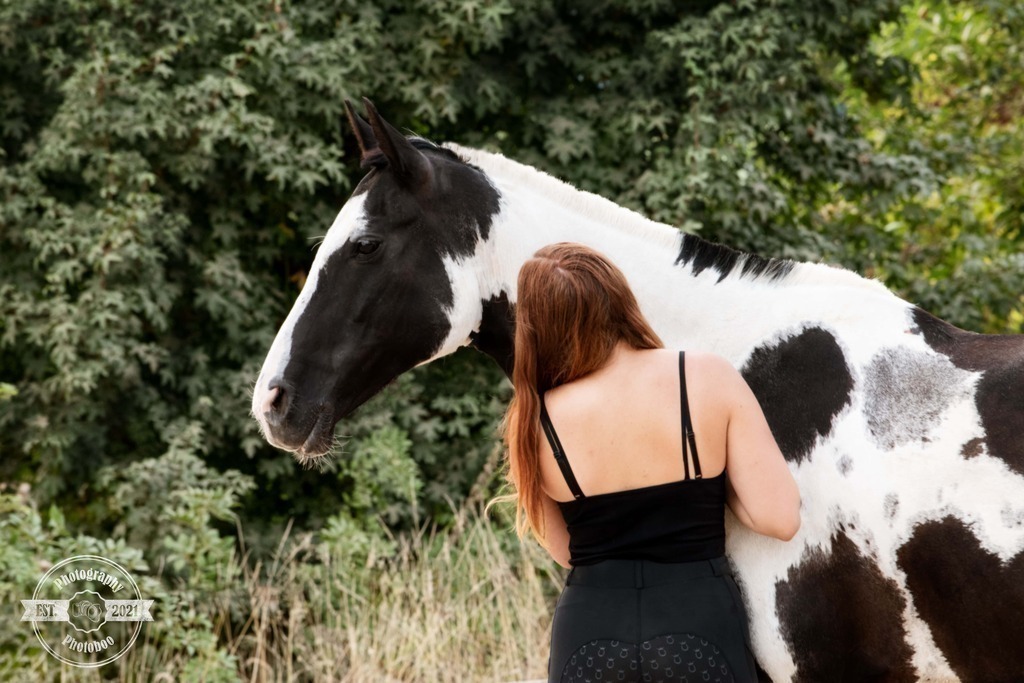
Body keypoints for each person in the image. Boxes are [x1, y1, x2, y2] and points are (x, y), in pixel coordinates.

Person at [502, 243, 801, 683]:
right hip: (696, 628)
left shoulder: (531, 419)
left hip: (589, 638)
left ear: (537, 325)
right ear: (618, 296)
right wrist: (714, 489)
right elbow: (780, 518)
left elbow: (567, 553)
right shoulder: (704, 375)